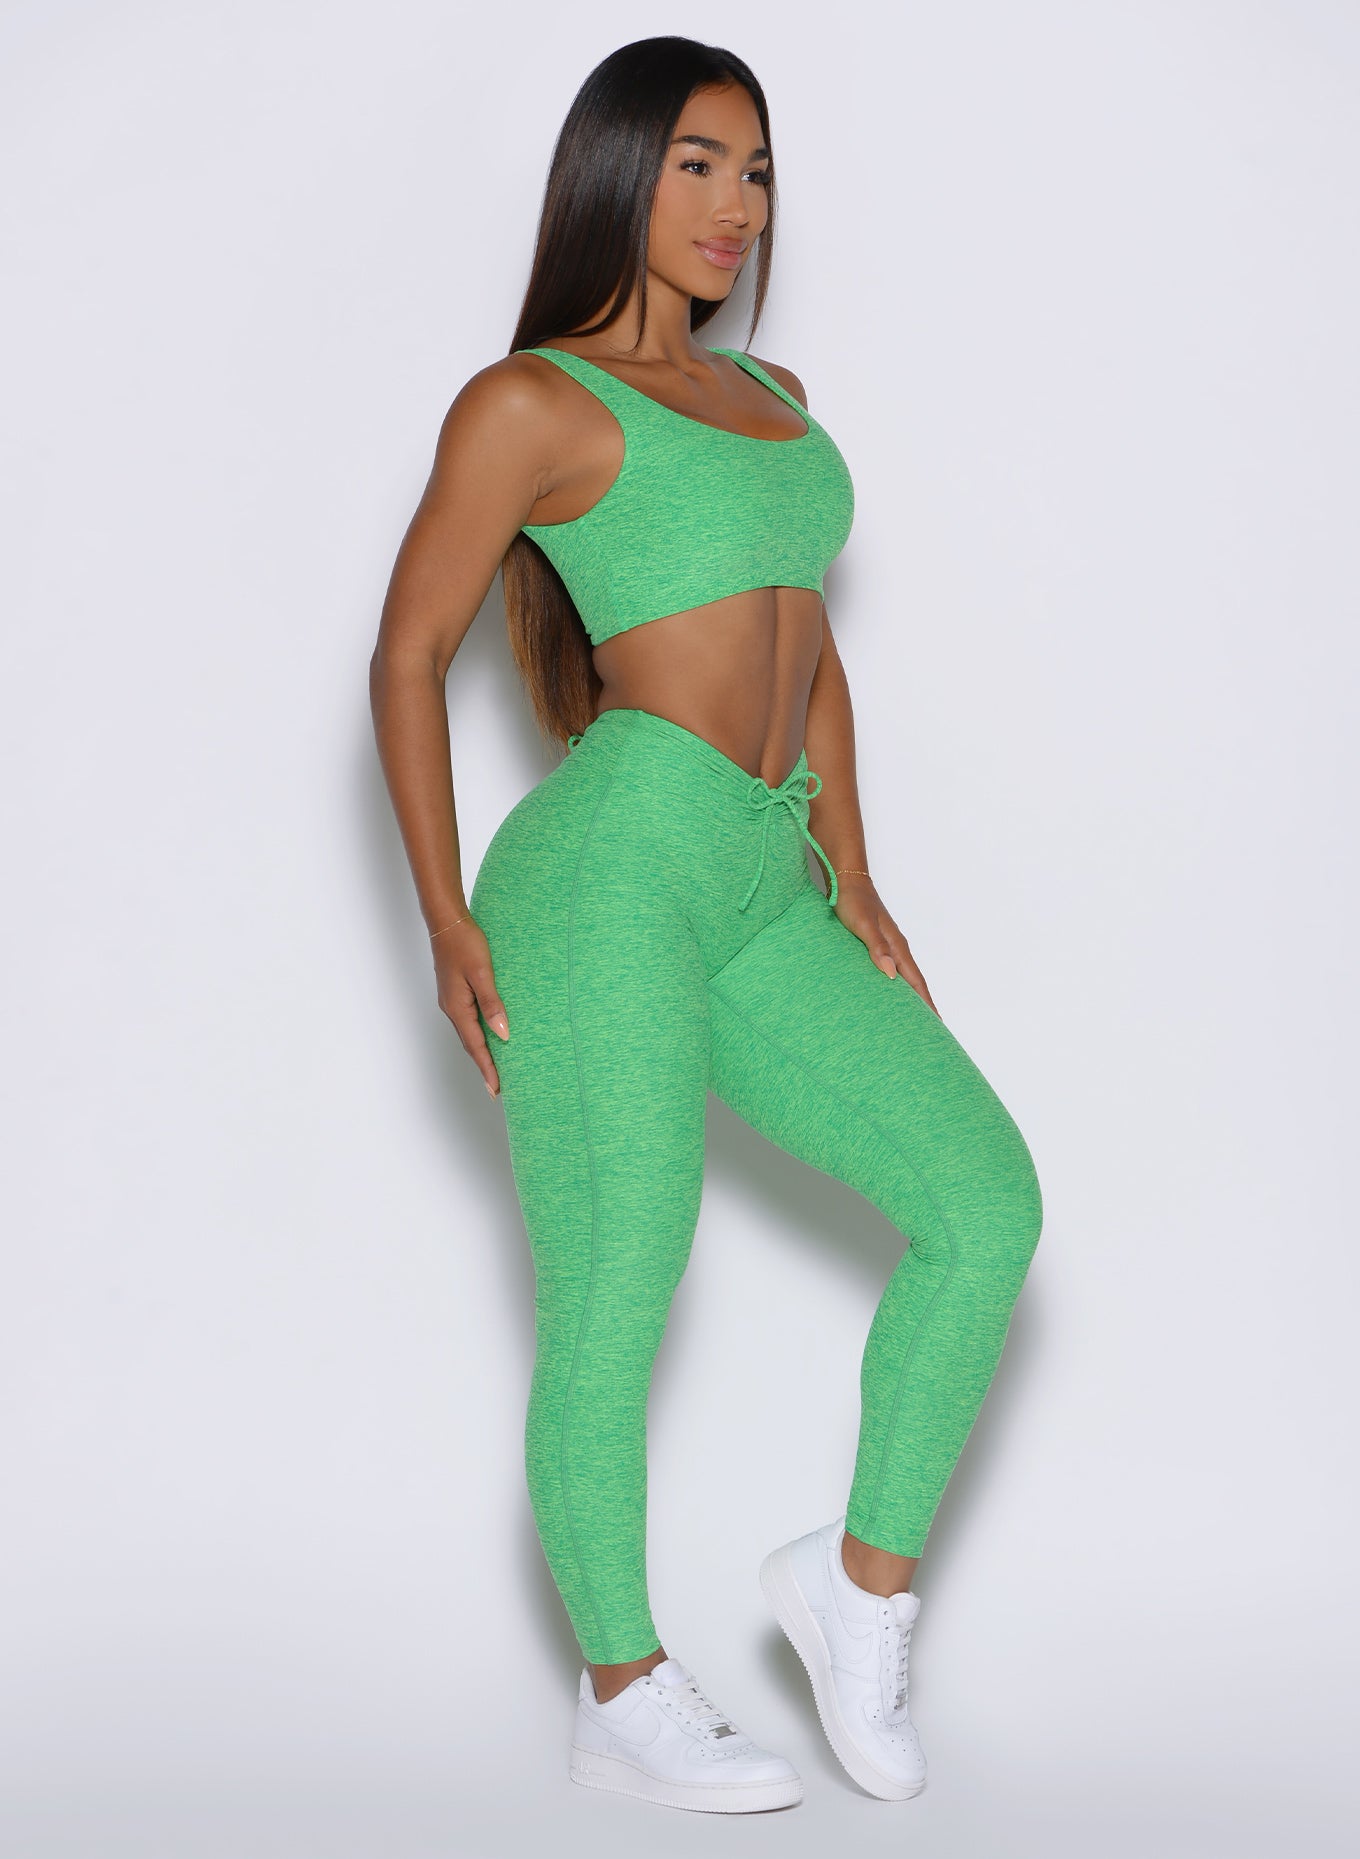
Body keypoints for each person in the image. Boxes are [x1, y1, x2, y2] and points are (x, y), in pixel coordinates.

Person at [369, 34, 1043, 1817]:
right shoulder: (530, 403)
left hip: (763, 874)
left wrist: (855, 866)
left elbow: (806, 650)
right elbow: (409, 653)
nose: (735, 204)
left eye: (754, 170)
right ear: (615, 172)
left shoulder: (777, 394)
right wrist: (440, 913)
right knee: (623, 1275)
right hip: (607, 880)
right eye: (694, 162)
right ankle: (620, 1688)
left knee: (984, 1207)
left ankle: (856, 1590)